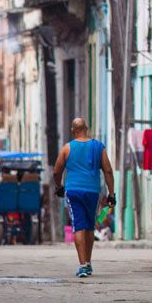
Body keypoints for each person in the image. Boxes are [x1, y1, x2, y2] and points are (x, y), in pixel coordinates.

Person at [53, 118, 115, 278]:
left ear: (73, 131)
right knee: (89, 225)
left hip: (73, 190)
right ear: (86, 129)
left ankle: (83, 265)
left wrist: (59, 186)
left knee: (78, 225)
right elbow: (108, 170)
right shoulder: (98, 147)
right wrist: (111, 193)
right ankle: (87, 262)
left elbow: (56, 171)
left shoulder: (67, 148)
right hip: (92, 191)